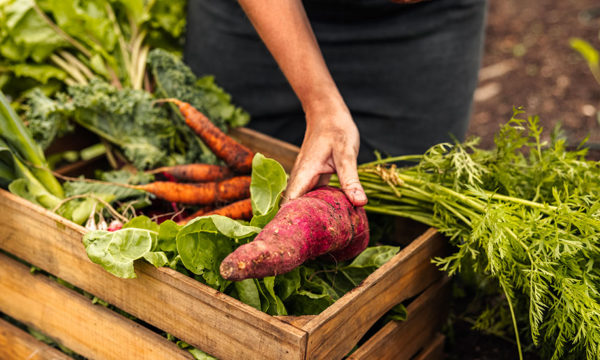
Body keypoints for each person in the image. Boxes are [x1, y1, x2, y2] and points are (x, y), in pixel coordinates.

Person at [184, 0, 487, 206]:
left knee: (414, 201)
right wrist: (319, 102)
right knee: (236, 182)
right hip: (259, 16)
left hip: (420, 22)